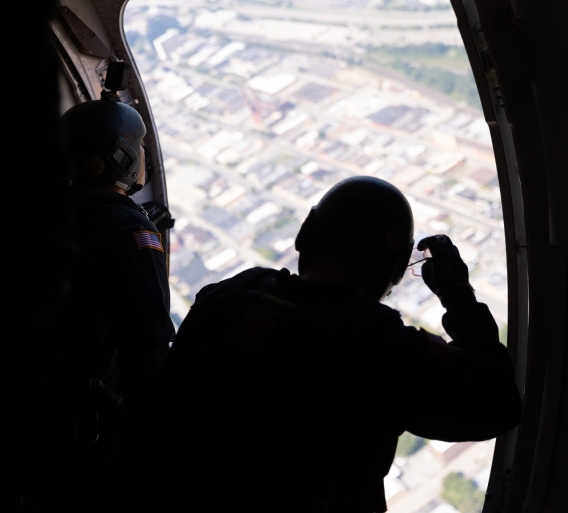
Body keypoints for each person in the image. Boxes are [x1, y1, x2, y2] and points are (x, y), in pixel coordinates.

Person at [126, 176, 521, 512]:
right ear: (396, 270)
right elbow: (499, 404)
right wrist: (458, 297)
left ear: (305, 234)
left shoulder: (229, 296)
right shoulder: (384, 350)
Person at [57, 72, 175, 509]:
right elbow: (148, 347)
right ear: (122, 155)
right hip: (83, 415)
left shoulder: (37, 218)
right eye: (138, 147)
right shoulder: (131, 233)